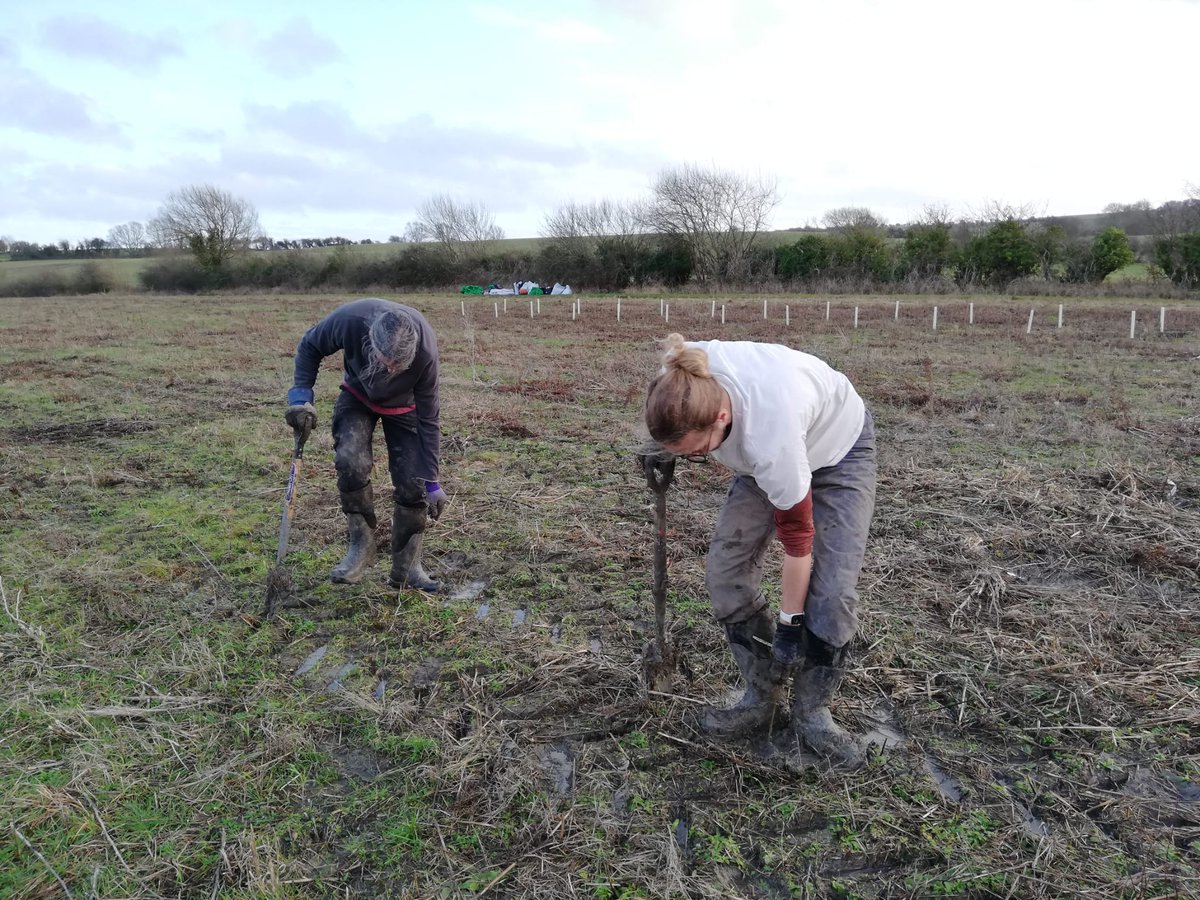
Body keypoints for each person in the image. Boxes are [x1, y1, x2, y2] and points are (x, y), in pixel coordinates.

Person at [644, 333, 876, 769]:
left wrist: (790, 625)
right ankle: (759, 698)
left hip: (838, 453)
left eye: (697, 452)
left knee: (832, 594)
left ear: (722, 417)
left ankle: (812, 712)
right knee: (726, 573)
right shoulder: (680, 376)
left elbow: (798, 547)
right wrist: (663, 448)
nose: (694, 458)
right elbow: (672, 418)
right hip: (759, 458)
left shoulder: (772, 439)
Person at [285, 298, 448, 592]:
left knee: (414, 482)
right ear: (371, 339)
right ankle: (361, 546)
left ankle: (407, 568)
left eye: (399, 367)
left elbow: (429, 419)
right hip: (357, 396)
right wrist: (300, 397)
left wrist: (433, 481)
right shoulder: (350, 319)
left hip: (405, 409)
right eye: (385, 362)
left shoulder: (426, 353)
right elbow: (310, 346)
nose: (390, 371)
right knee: (350, 462)